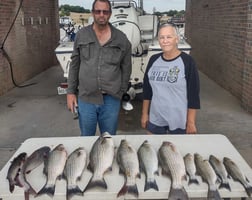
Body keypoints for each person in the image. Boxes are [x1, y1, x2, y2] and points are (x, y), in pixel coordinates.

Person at [67, 0, 132, 136]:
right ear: (92, 13)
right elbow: (74, 65)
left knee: (108, 140)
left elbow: (126, 68)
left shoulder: (121, 39)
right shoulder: (81, 35)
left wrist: (121, 91)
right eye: (98, 11)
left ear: (110, 14)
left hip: (111, 99)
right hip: (86, 98)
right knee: (86, 138)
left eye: (105, 11)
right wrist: (71, 92)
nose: (101, 15)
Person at [141, 23, 200, 134]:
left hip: (179, 121)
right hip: (156, 119)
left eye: (169, 37)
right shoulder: (153, 60)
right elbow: (147, 90)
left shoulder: (187, 61)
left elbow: (193, 94)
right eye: (162, 37)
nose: (165, 40)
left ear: (176, 39)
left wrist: (191, 122)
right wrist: (145, 114)